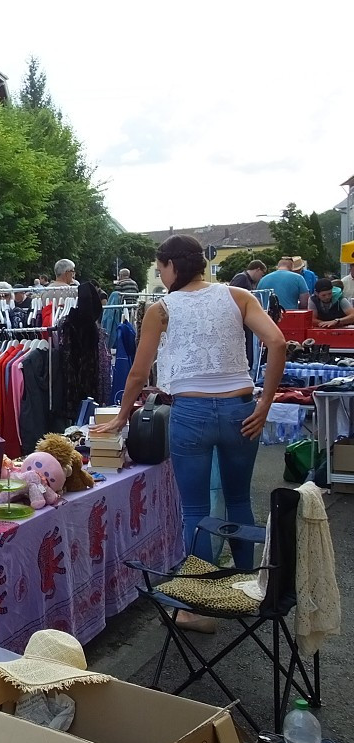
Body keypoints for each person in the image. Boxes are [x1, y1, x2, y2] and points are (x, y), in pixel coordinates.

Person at [93, 234, 286, 630]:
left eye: (160, 268)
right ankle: (247, 591)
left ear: (171, 266)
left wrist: (122, 417)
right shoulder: (237, 296)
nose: (160, 275)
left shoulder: (161, 308)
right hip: (241, 409)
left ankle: (196, 608)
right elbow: (278, 342)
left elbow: (137, 372)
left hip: (191, 413)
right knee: (238, 500)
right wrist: (265, 403)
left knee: (195, 511)